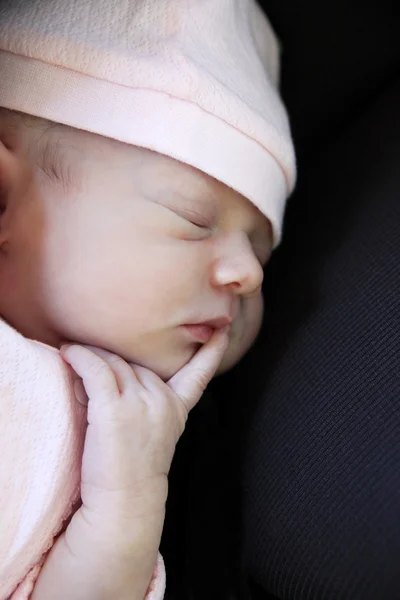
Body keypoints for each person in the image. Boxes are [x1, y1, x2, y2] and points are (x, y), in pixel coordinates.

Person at [0, 0, 296, 598]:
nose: (249, 274)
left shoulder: (116, 453)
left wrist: (126, 510)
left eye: (260, 252)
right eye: (192, 217)